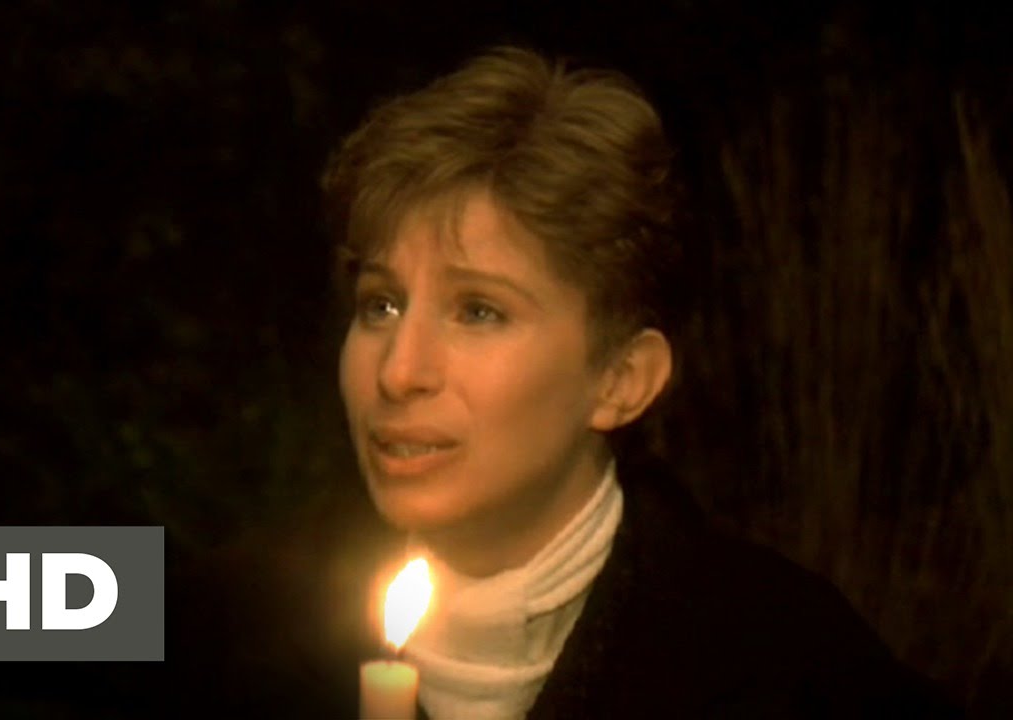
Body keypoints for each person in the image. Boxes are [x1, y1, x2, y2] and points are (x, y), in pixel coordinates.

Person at [316, 46, 957, 718]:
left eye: (479, 311)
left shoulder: (792, 669)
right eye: (380, 305)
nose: (399, 372)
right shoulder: (253, 643)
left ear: (622, 380)